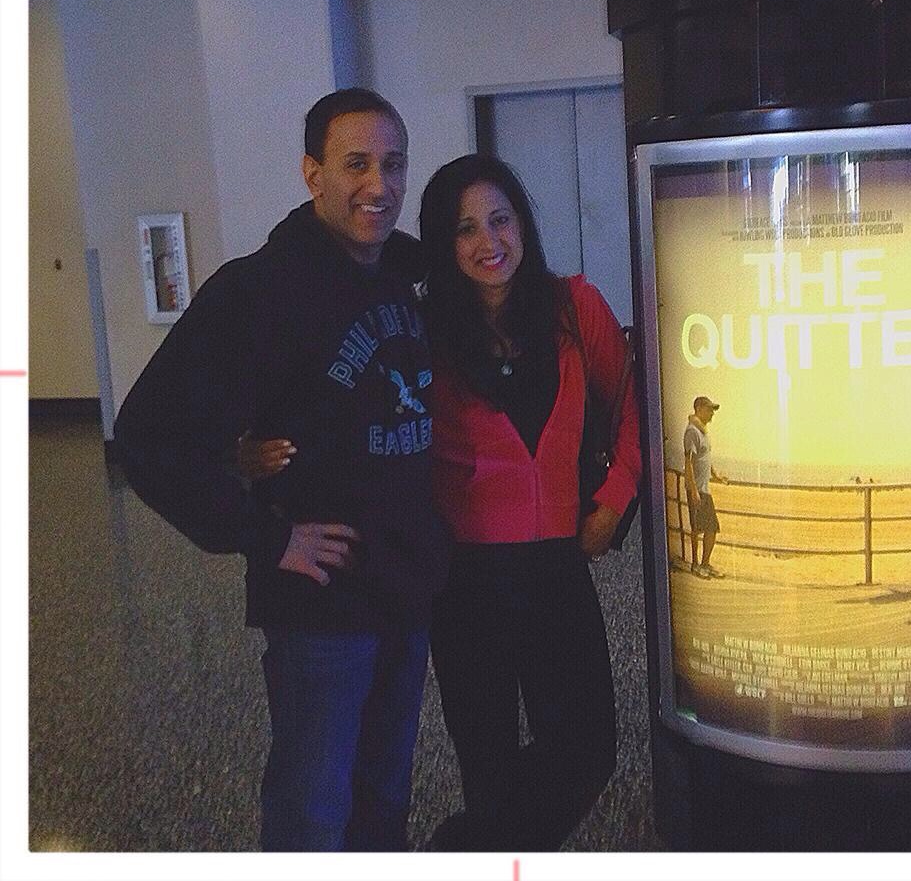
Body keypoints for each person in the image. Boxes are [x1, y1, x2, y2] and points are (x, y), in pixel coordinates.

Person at [114, 88, 449, 851]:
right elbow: (147, 435)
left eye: (393, 165)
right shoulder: (257, 291)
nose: (379, 185)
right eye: (356, 163)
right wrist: (265, 536)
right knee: (311, 803)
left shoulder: (408, 270)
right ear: (312, 173)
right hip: (321, 604)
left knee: (383, 793)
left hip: (405, 585)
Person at [419, 154, 641, 851]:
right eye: (465, 229)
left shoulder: (576, 307)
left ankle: (462, 851)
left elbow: (636, 405)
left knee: (586, 748)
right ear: (442, 244)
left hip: (555, 562)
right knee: (486, 756)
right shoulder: (423, 331)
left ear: (523, 222)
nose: (489, 241)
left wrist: (615, 493)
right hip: (465, 574)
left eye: (500, 218)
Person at [684, 395, 728, 578]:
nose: (711, 414)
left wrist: (715, 475)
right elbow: (689, 462)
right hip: (698, 489)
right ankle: (698, 565)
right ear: (699, 408)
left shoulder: (703, 432)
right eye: (709, 409)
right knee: (702, 528)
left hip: (703, 488)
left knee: (708, 527)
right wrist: (693, 490)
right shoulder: (692, 431)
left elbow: (705, 458)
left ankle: (704, 564)